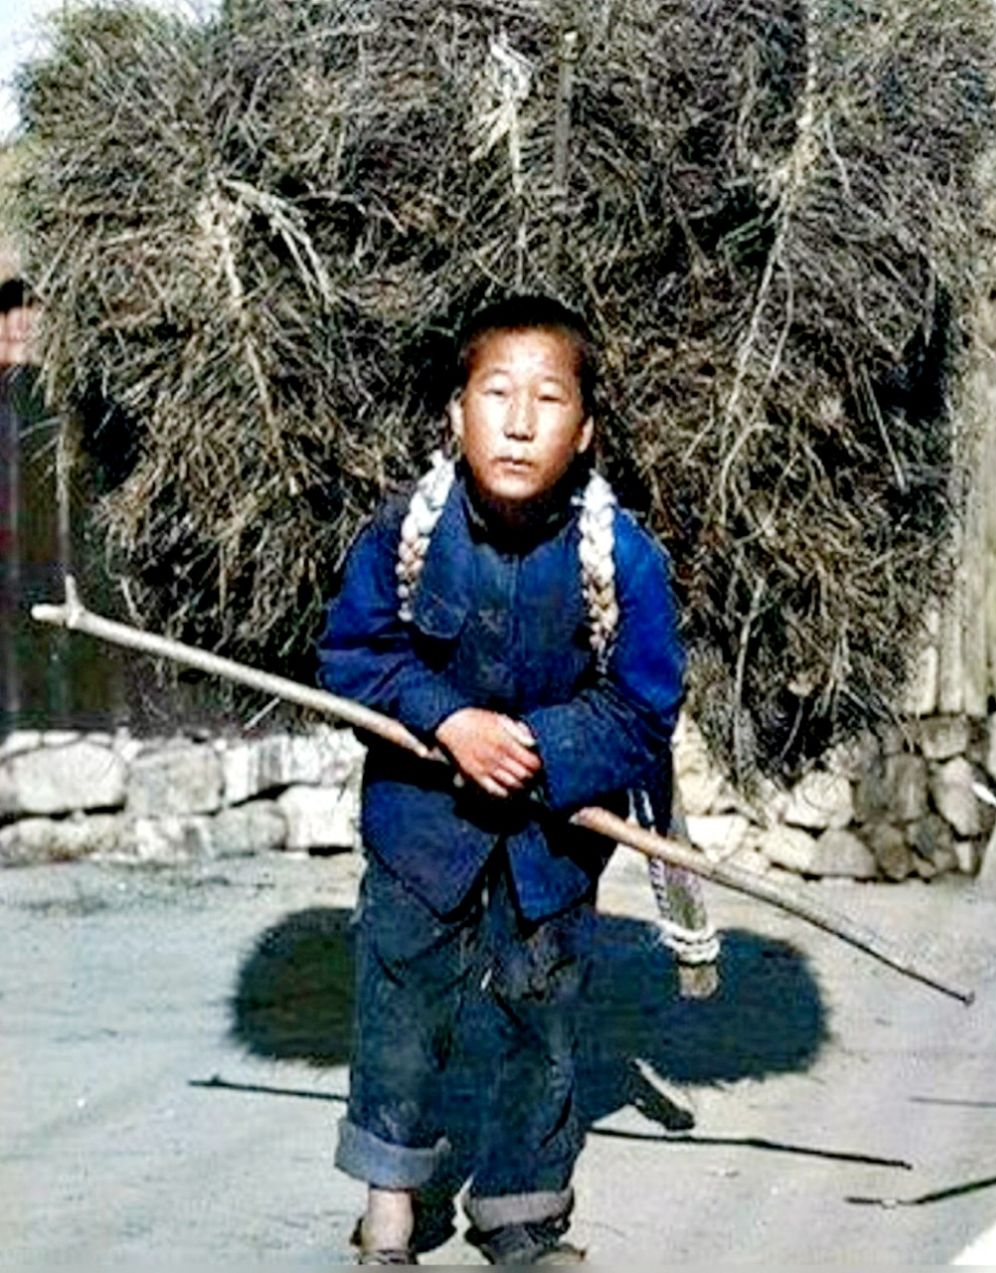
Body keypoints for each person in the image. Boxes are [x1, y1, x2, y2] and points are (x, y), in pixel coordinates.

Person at [317, 294, 686, 1265]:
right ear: (456, 412)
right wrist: (448, 720)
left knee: (542, 1017)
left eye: (549, 399)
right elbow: (353, 657)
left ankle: (521, 1208)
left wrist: (539, 747)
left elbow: (645, 709)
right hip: (421, 831)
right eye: (496, 394)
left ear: (586, 429)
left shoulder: (624, 561)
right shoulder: (403, 536)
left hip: (551, 844)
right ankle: (390, 1208)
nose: (519, 423)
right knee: (400, 1009)